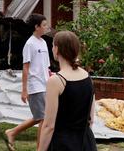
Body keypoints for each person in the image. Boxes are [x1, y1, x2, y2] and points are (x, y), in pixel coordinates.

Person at [37, 31, 97, 151]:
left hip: (63, 144)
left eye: (53, 46)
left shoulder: (55, 81)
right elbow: (91, 118)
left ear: (57, 49)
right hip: (86, 143)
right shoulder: (87, 77)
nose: (52, 49)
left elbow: (49, 126)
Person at [5, 14, 50, 150]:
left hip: (45, 85)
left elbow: (46, 67)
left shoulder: (43, 43)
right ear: (36, 27)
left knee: (40, 117)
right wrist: (24, 90)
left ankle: (12, 132)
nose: (46, 27)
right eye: (44, 25)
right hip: (35, 86)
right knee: (43, 118)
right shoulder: (30, 44)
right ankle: (39, 149)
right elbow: (26, 68)